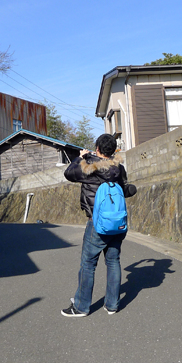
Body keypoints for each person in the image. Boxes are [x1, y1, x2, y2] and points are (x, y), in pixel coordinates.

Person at [61, 133, 135, 317]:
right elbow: (125, 189)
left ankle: (81, 307)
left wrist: (80, 156)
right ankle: (112, 305)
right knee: (113, 261)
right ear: (114, 150)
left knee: (88, 264)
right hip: (117, 222)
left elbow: (69, 173)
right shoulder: (119, 167)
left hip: (97, 223)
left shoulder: (88, 167)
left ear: (97, 149)